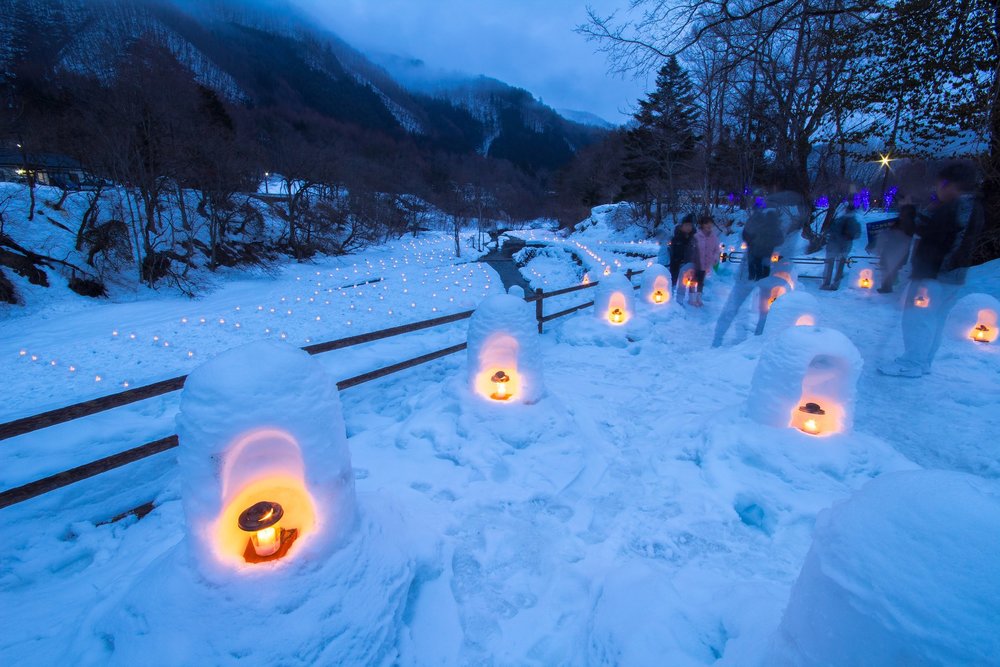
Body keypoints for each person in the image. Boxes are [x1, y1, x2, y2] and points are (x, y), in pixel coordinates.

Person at [879, 162, 985, 378]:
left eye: (938, 185)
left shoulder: (951, 207)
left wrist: (907, 211)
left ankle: (912, 363)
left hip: (932, 275)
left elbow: (922, 230)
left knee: (918, 319)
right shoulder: (975, 208)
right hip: (953, 276)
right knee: (935, 320)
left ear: (947, 183)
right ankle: (923, 361)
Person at [712, 193, 788, 346]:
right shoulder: (771, 224)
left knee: (738, 306)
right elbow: (777, 240)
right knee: (761, 309)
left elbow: (747, 235)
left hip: (753, 270)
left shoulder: (762, 222)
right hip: (761, 269)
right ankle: (751, 341)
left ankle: (721, 339)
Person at [876, 195, 916, 293]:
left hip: (897, 248)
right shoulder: (902, 219)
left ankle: (887, 286)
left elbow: (904, 233)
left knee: (890, 267)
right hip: (892, 247)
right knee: (888, 267)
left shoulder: (908, 220)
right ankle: (887, 286)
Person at [820, 201, 861, 290]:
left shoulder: (838, 220)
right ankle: (835, 285)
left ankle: (826, 284)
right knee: (840, 267)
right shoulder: (855, 223)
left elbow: (830, 231)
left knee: (829, 265)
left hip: (833, 246)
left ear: (845, 210)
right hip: (845, 247)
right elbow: (857, 235)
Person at [691, 215, 719, 307]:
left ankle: (699, 298)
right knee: (693, 280)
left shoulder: (714, 237)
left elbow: (716, 249)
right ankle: (691, 298)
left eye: (711, 223)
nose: (709, 225)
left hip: (706, 264)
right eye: (706, 223)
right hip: (696, 262)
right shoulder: (696, 236)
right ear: (702, 225)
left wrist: (714, 259)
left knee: (701, 281)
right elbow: (691, 249)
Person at [668, 215, 696, 290]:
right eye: (686, 225)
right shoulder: (676, 239)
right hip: (678, 268)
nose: (688, 227)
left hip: (691, 267)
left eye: (690, 225)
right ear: (681, 226)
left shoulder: (694, 238)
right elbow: (674, 256)